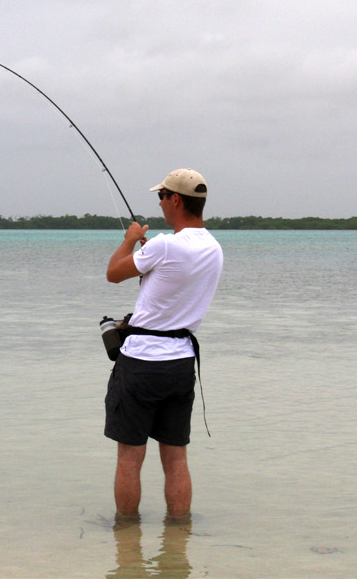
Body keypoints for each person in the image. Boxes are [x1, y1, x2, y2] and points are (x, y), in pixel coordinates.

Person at [104, 168, 223, 519]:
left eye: (162, 196)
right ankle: (179, 532)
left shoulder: (164, 245)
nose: (159, 203)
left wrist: (130, 240)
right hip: (181, 364)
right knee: (176, 457)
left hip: (141, 363)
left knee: (130, 457)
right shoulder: (213, 248)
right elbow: (174, 278)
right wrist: (152, 256)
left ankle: (126, 534)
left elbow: (113, 273)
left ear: (176, 200)